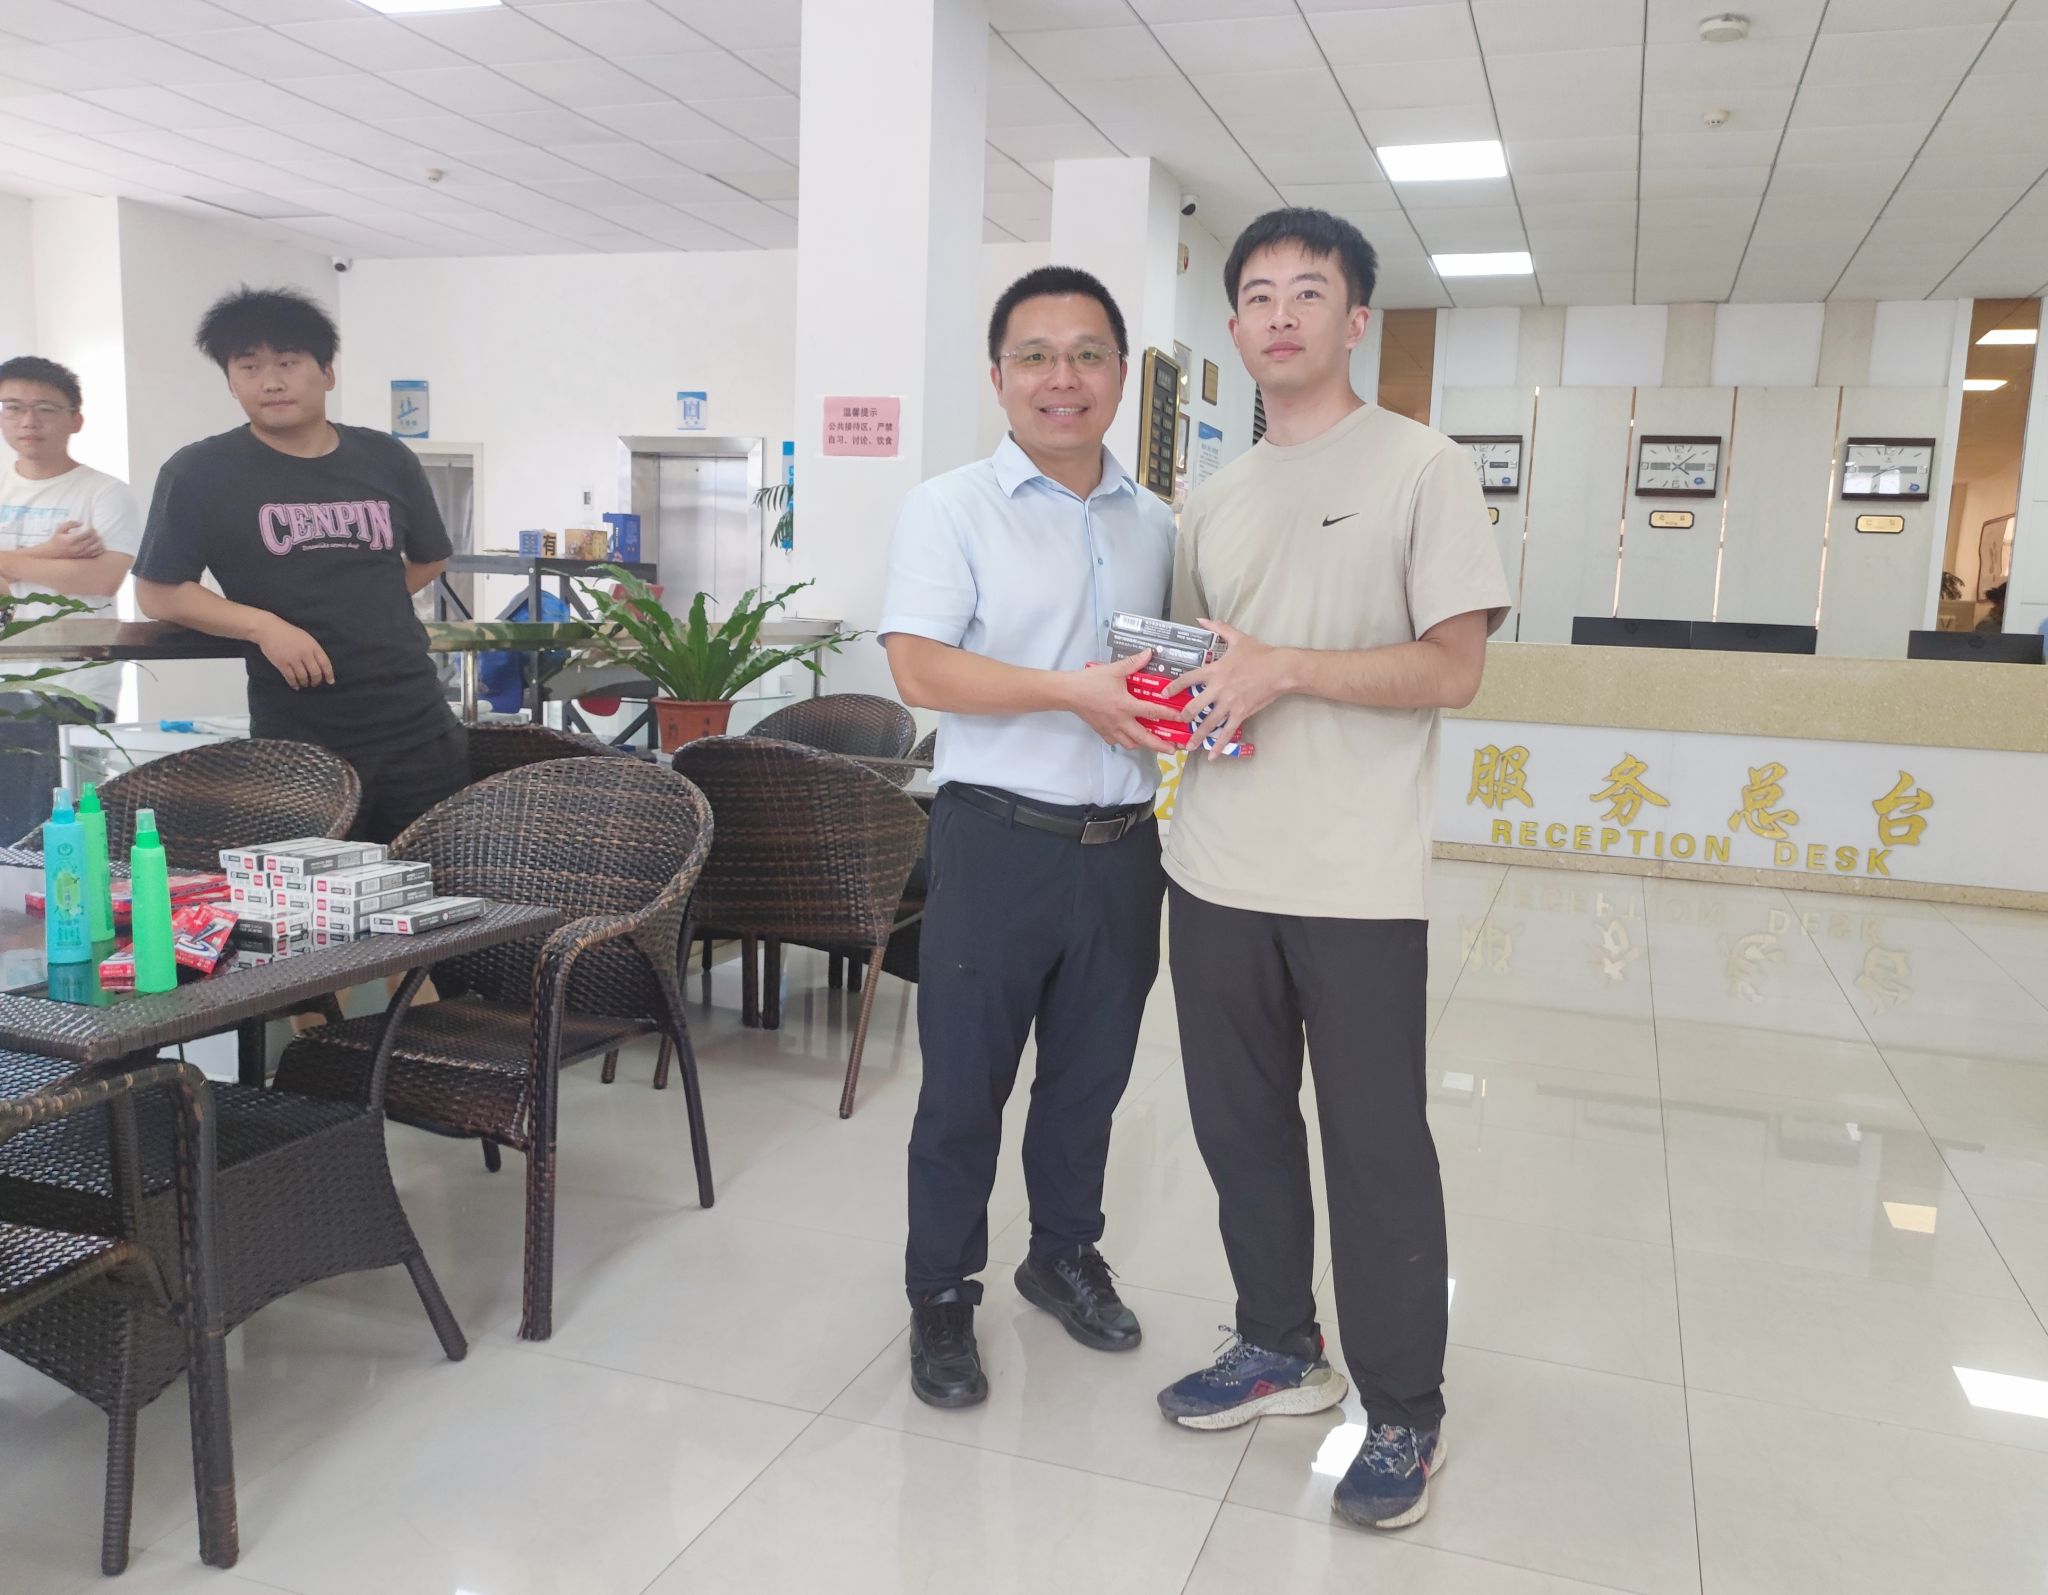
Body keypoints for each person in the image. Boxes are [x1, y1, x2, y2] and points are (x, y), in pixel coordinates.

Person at [1153, 209, 1510, 1532]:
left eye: (1309, 291)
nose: (1281, 313)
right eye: (1258, 294)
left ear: (1355, 318)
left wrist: (1287, 667)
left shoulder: (1423, 467)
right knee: (1237, 1122)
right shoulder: (1212, 495)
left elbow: (1453, 668)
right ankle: (1276, 1344)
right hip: (1214, 865)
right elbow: (1207, 666)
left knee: (1374, 1143)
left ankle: (1403, 1404)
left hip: (1356, 875)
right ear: (1233, 326)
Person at [878, 265, 1176, 1409]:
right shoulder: (949, 506)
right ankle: (939, 1293)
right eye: (1036, 356)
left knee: (1087, 1082)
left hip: (1124, 846)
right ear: (998, 376)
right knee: (963, 1089)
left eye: (1087, 353)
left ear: (1118, 373)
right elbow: (918, 668)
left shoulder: (1156, 522)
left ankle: (1061, 1255)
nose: (1063, 377)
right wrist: (1070, 692)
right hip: (997, 839)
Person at [132, 287, 464, 843]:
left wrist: (366, 605)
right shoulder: (199, 472)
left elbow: (431, 558)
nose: (271, 382)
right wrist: (264, 627)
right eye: (249, 367)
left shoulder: (386, 457)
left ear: (326, 373)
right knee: (313, 891)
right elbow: (159, 592)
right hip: (299, 740)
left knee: (438, 884)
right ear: (231, 383)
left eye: (287, 363)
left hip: (419, 725)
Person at [0, 356, 142, 842]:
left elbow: (101, 579)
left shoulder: (104, 493)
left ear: (75, 419)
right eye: (12, 407)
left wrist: (11, 564)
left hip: (70, 685)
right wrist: (51, 553)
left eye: (45, 408)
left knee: (47, 832)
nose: (28, 420)